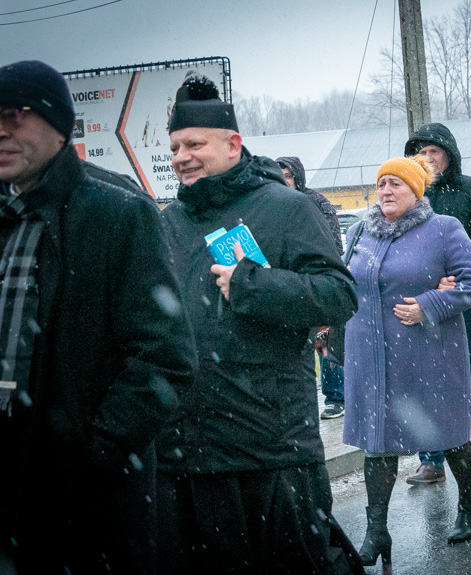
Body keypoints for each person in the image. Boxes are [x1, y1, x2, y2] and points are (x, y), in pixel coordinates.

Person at [157, 75, 362, 574]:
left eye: (194, 144)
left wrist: (253, 284)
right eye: (175, 147)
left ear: (233, 144)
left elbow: (339, 296)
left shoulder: (287, 209)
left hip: (270, 447)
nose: (182, 156)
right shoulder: (169, 222)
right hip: (187, 453)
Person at [0, 60, 197, 574]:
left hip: (81, 497)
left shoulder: (117, 214)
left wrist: (95, 450)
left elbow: (166, 356)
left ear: (60, 124)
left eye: (15, 115)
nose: (0, 129)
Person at [342, 155, 471, 568]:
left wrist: (430, 303)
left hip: (429, 354)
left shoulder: (443, 230)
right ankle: (376, 530)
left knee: (448, 432)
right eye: (381, 184)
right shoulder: (358, 233)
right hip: (370, 357)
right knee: (377, 443)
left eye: (396, 184)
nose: (386, 191)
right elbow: (342, 282)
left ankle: (469, 504)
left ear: (416, 190)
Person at [404, 122, 471, 480]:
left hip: (463, 300)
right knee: (423, 377)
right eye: (422, 153)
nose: (429, 159)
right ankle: (431, 460)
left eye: (434, 151)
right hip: (420, 302)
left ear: (449, 154)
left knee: (467, 370)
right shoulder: (410, 193)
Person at [276, 155, 347, 419]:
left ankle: (335, 397)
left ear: (298, 176)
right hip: (286, 285)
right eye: (278, 175)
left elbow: (332, 247)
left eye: (287, 175)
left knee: (325, 342)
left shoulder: (316, 203)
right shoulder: (274, 205)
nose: (283, 181)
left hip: (317, 282)